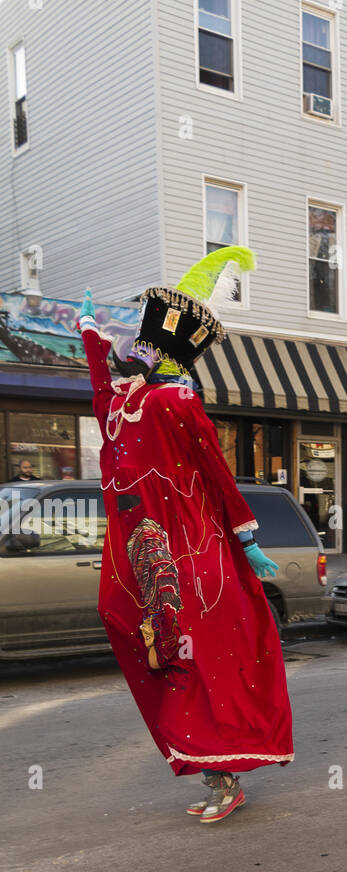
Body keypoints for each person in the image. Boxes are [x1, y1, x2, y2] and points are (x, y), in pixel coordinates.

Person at [77, 249, 293, 823]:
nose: (133, 356)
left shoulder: (173, 401)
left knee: (195, 657)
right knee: (157, 648)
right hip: (142, 552)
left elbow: (217, 472)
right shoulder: (121, 405)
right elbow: (104, 378)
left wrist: (246, 539)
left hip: (190, 548)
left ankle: (222, 769)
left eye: (142, 348)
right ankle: (208, 760)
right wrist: (90, 332)